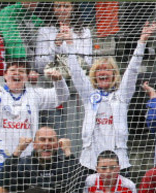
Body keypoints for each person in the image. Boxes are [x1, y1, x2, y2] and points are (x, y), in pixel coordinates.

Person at [65, 22, 156, 173]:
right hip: (90, 163)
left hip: (119, 163)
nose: (103, 72)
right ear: (94, 75)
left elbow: (132, 69)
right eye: (99, 69)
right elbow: (75, 72)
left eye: (107, 69)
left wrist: (142, 41)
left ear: (114, 75)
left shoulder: (122, 95)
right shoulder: (89, 95)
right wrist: (69, 44)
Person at [0, 60, 69, 159]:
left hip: (25, 159)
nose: (17, 73)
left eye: (21, 71)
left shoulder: (35, 95)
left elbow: (62, 97)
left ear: (27, 77)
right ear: (4, 75)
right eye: (12, 70)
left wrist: (59, 81)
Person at [34, 1, 92, 75]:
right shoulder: (44, 31)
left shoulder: (85, 32)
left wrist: (70, 44)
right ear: (53, 9)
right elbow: (39, 66)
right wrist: (55, 46)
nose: (62, 10)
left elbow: (86, 63)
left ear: (73, 8)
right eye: (58, 6)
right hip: (52, 81)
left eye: (66, 6)